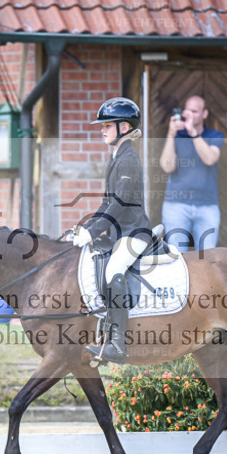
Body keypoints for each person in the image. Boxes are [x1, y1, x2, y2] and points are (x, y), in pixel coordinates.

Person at [72, 97, 153, 365]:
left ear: (125, 127)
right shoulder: (115, 157)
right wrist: (87, 227)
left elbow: (119, 205)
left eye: (107, 125)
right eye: (103, 126)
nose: (102, 130)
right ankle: (105, 333)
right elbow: (107, 203)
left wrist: (94, 233)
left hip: (134, 232)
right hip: (120, 233)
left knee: (113, 271)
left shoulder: (128, 159)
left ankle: (117, 345)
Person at [159, 95, 223, 252]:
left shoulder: (215, 136)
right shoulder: (176, 136)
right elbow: (167, 166)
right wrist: (171, 134)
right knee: (175, 258)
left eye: (194, 111)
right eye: (187, 110)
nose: (189, 114)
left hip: (207, 206)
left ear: (204, 114)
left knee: (207, 258)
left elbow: (209, 159)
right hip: (176, 206)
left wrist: (193, 132)